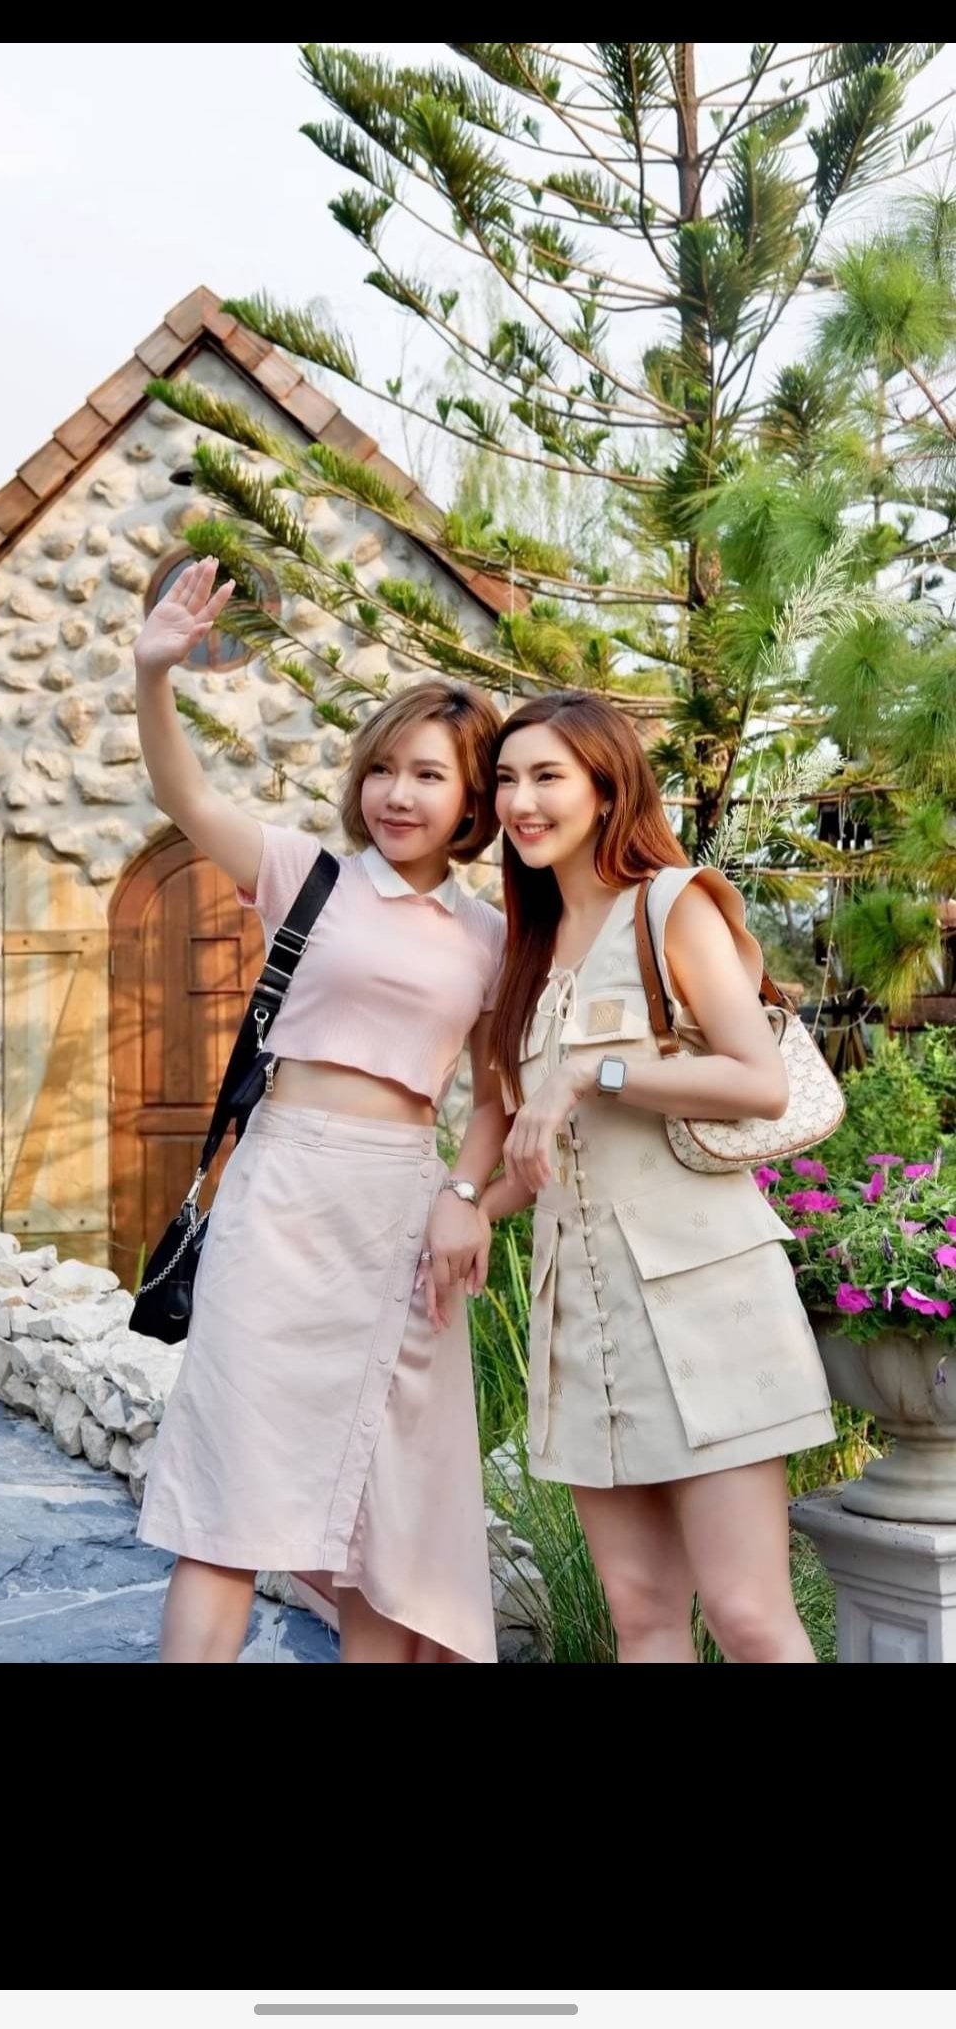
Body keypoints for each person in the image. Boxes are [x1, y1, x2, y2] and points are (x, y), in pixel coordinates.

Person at [133, 557, 509, 1663]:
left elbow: (496, 1094)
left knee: (388, 1527)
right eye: (382, 768)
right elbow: (187, 798)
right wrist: (154, 675)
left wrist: (463, 1193)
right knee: (225, 1506)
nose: (397, 794)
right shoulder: (311, 875)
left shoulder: (490, 937)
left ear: (472, 800)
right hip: (284, 1194)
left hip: (400, 1216)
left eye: (428, 775)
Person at [486, 689, 835, 1664]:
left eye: (547, 777)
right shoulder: (526, 953)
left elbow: (758, 1081)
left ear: (607, 787)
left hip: (705, 1305)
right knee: (640, 1618)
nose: (521, 802)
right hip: (583, 1325)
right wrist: (457, 1208)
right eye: (506, 780)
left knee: (747, 1614)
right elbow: (530, 1163)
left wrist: (590, 1073)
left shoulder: (671, 905)